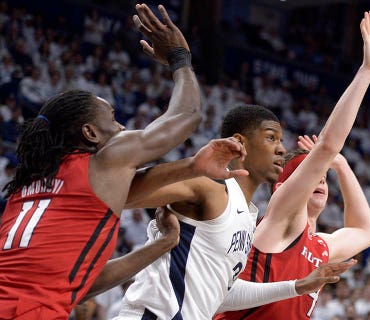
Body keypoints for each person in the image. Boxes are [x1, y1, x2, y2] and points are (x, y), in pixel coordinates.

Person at [0, 4, 213, 319]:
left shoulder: (26, 187)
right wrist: (180, 58)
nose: (122, 128)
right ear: (90, 133)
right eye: (113, 119)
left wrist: (162, 244)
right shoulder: (103, 159)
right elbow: (186, 115)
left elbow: (80, 284)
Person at [217, 11, 370, 320]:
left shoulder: (320, 245)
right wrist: (366, 70)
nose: (319, 181)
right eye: (311, 176)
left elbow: (365, 232)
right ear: (284, 187)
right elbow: (326, 145)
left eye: (323, 178)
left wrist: (341, 166)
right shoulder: (281, 218)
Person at [114, 101, 357, 319]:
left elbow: (223, 293)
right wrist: (367, 69)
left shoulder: (247, 217)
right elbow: (120, 194)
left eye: (281, 140)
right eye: (271, 138)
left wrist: (297, 286)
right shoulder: (211, 185)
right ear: (241, 143)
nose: (281, 149)